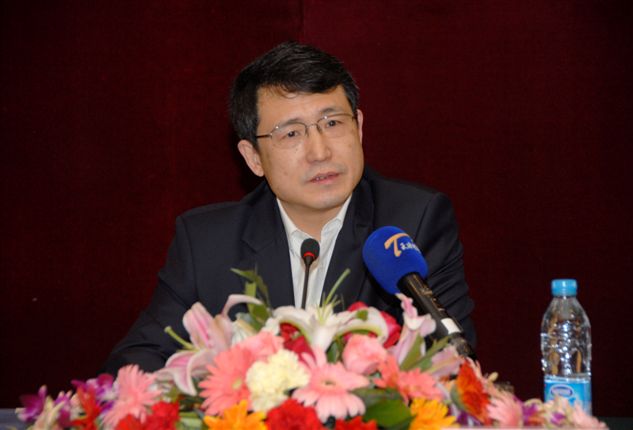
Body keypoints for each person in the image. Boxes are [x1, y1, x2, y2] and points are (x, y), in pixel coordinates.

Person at [103, 41, 475, 374]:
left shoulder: (413, 223)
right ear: (253, 157)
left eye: (332, 123)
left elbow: (450, 365)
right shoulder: (207, 243)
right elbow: (136, 362)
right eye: (292, 133)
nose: (320, 151)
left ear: (359, 127)